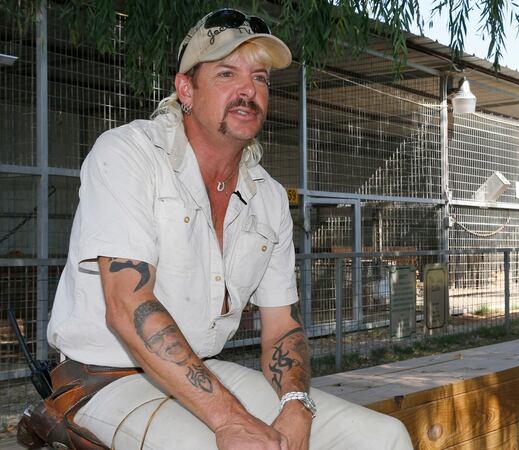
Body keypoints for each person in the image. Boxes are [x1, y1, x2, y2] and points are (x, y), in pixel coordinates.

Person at [46, 8, 413, 450]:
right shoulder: (128, 154)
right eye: (226, 73)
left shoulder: (269, 196)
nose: (247, 90)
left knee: (383, 436)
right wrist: (231, 420)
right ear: (186, 89)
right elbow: (127, 305)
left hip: (203, 369)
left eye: (259, 78)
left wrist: (296, 403)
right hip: (103, 381)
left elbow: (282, 325)